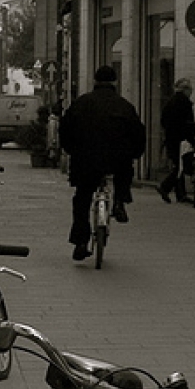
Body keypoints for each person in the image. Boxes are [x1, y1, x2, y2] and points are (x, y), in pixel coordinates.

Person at [59, 66, 146, 261]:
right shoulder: (124, 106)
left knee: (82, 199)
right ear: (115, 82)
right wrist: (135, 154)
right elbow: (138, 133)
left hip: (86, 159)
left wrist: (72, 150)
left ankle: (81, 242)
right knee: (124, 171)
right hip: (117, 158)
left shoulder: (81, 103)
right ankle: (120, 201)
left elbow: (65, 129)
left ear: (95, 81)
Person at [156, 78, 195, 204]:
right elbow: (188, 123)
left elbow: (163, 120)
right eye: (190, 90)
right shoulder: (184, 103)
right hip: (181, 139)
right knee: (180, 167)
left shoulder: (170, 102)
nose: (191, 92)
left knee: (178, 165)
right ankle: (165, 187)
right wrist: (192, 138)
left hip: (171, 138)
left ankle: (181, 194)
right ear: (185, 90)